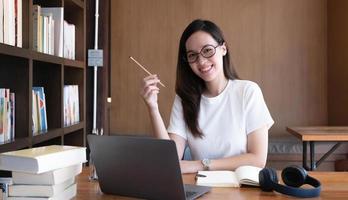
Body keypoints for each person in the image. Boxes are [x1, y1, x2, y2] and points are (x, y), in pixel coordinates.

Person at [140, 19, 274, 174]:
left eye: (208, 50)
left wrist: (200, 165)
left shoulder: (248, 91)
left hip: (242, 188)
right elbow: (169, 159)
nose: (201, 61)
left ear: (223, 49)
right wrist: (153, 107)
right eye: (192, 55)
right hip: (202, 189)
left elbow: (257, 159)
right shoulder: (185, 98)